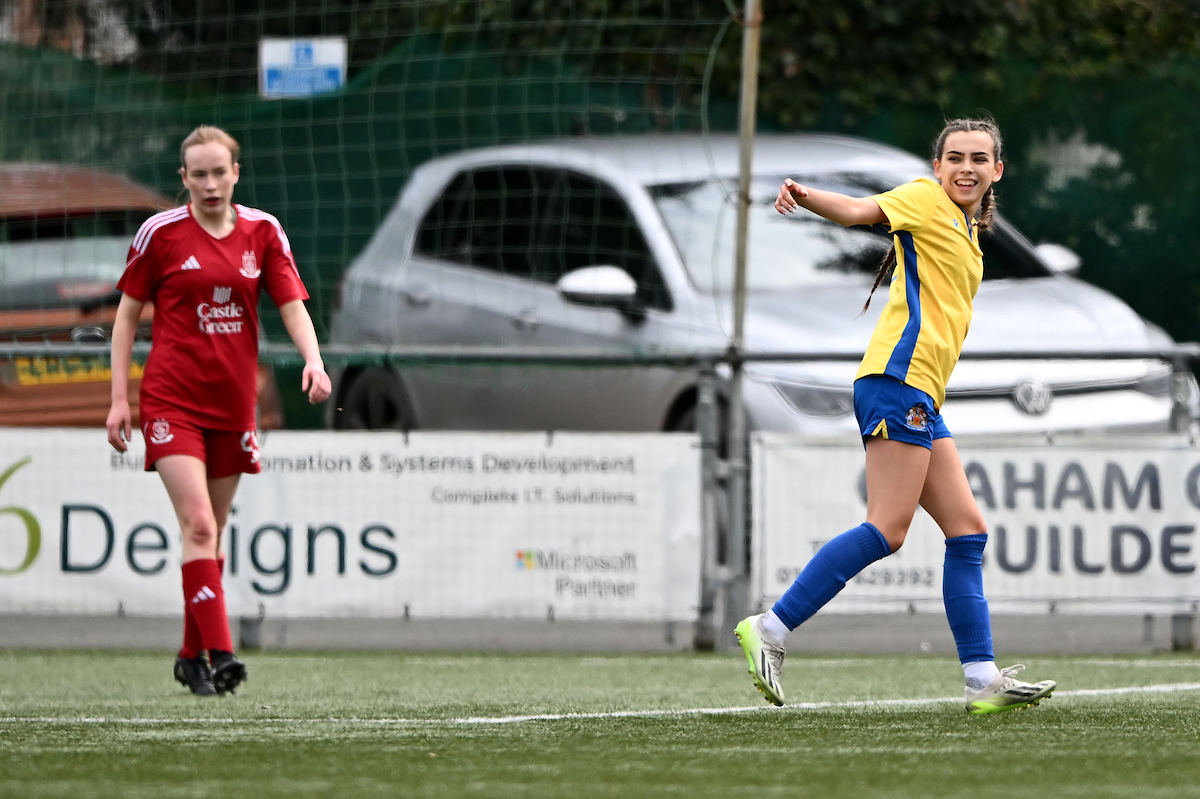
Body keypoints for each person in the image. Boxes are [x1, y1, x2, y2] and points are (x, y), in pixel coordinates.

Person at [735, 119, 1056, 715]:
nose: (965, 168)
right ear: (937, 167)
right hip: (895, 384)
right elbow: (860, 211)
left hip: (919, 394)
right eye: (954, 157)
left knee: (967, 532)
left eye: (978, 159)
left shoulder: (967, 231)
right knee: (887, 529)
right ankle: (771, 628)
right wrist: (806, 196)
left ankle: (981, 679)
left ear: (997, 170)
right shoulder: (925, 198)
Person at [106, 125, 331, 696]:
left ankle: (190, 656)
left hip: (233, 405)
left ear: (236, 173)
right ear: (184, 178)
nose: (210, 184)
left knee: (211, 532)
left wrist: (313, 360)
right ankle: (223, 653)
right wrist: (118, 399)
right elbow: (126, 318)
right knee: (200, 525)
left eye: (219, 173)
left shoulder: (264, 231)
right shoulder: (160, 234)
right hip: (171, 400)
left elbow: (292, 305)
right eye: (198, 175)